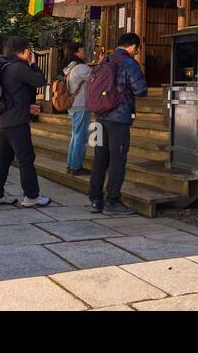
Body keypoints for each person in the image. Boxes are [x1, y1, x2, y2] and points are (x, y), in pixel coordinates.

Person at [0, 36, 50, 208]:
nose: (30, 53)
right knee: (26, 158)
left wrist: (27, 106)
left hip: (3, 120)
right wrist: (33, 64)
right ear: (22, 51)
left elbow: (11, 95)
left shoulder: (4, 67)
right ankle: (31, 196)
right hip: (17, 122)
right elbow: (40, 80)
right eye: (29, 50)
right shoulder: (19, 67)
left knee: (3, 158)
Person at [88, 32, 148, 215]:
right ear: (132, 46)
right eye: (137, 49)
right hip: (119, 119)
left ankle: (95, 199)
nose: (136, 52)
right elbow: (141, 90)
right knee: (117, 159)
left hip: (98, 117)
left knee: (99, 158)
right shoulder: (129, 63)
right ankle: (113, 201)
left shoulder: (104, 61)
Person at [63, 43, 92, 175]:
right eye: (81, 50)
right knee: (81, 136)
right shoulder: (81, 68)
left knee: (75, 135)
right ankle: (76, 166)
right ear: (76, 53)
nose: (84, 52)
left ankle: (71, 164)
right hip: (81, 105)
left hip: (72, 105)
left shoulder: (69, 68)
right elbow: (96, 78)